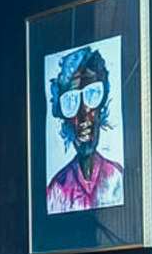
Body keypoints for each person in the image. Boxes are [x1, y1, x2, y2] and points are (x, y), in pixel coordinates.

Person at [43, 43, 124, 213]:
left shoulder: (118, 178)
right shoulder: (55, 191)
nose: (83, 115)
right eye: (70, 102)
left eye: (92, 94)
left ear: (102, 105)